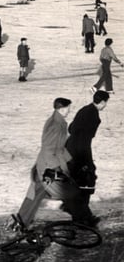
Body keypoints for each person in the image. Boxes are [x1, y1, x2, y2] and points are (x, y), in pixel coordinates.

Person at [13, 98, 75, 229]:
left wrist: (70, 160)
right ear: (61, 109)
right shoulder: (55, 125)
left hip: (47, 165)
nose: (69, 111)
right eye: (68, 108)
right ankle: (21, 222)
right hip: (47, 168)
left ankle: (21, 222)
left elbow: (60, 148)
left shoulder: (58, 122)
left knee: (35, 195)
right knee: (39, 194)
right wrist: (56, 168)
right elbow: (48, 149)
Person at [64, 91, 110, 226]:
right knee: (86, 182)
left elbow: (71, 128)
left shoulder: (84, 109)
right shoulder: (94, 117)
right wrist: (87, 162)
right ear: (102, 102)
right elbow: (85, 141)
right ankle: (82, 216)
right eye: (105, 102)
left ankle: (76, 210)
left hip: (69, 149)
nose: (105, 105)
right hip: (79, 152)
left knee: (76, 182)